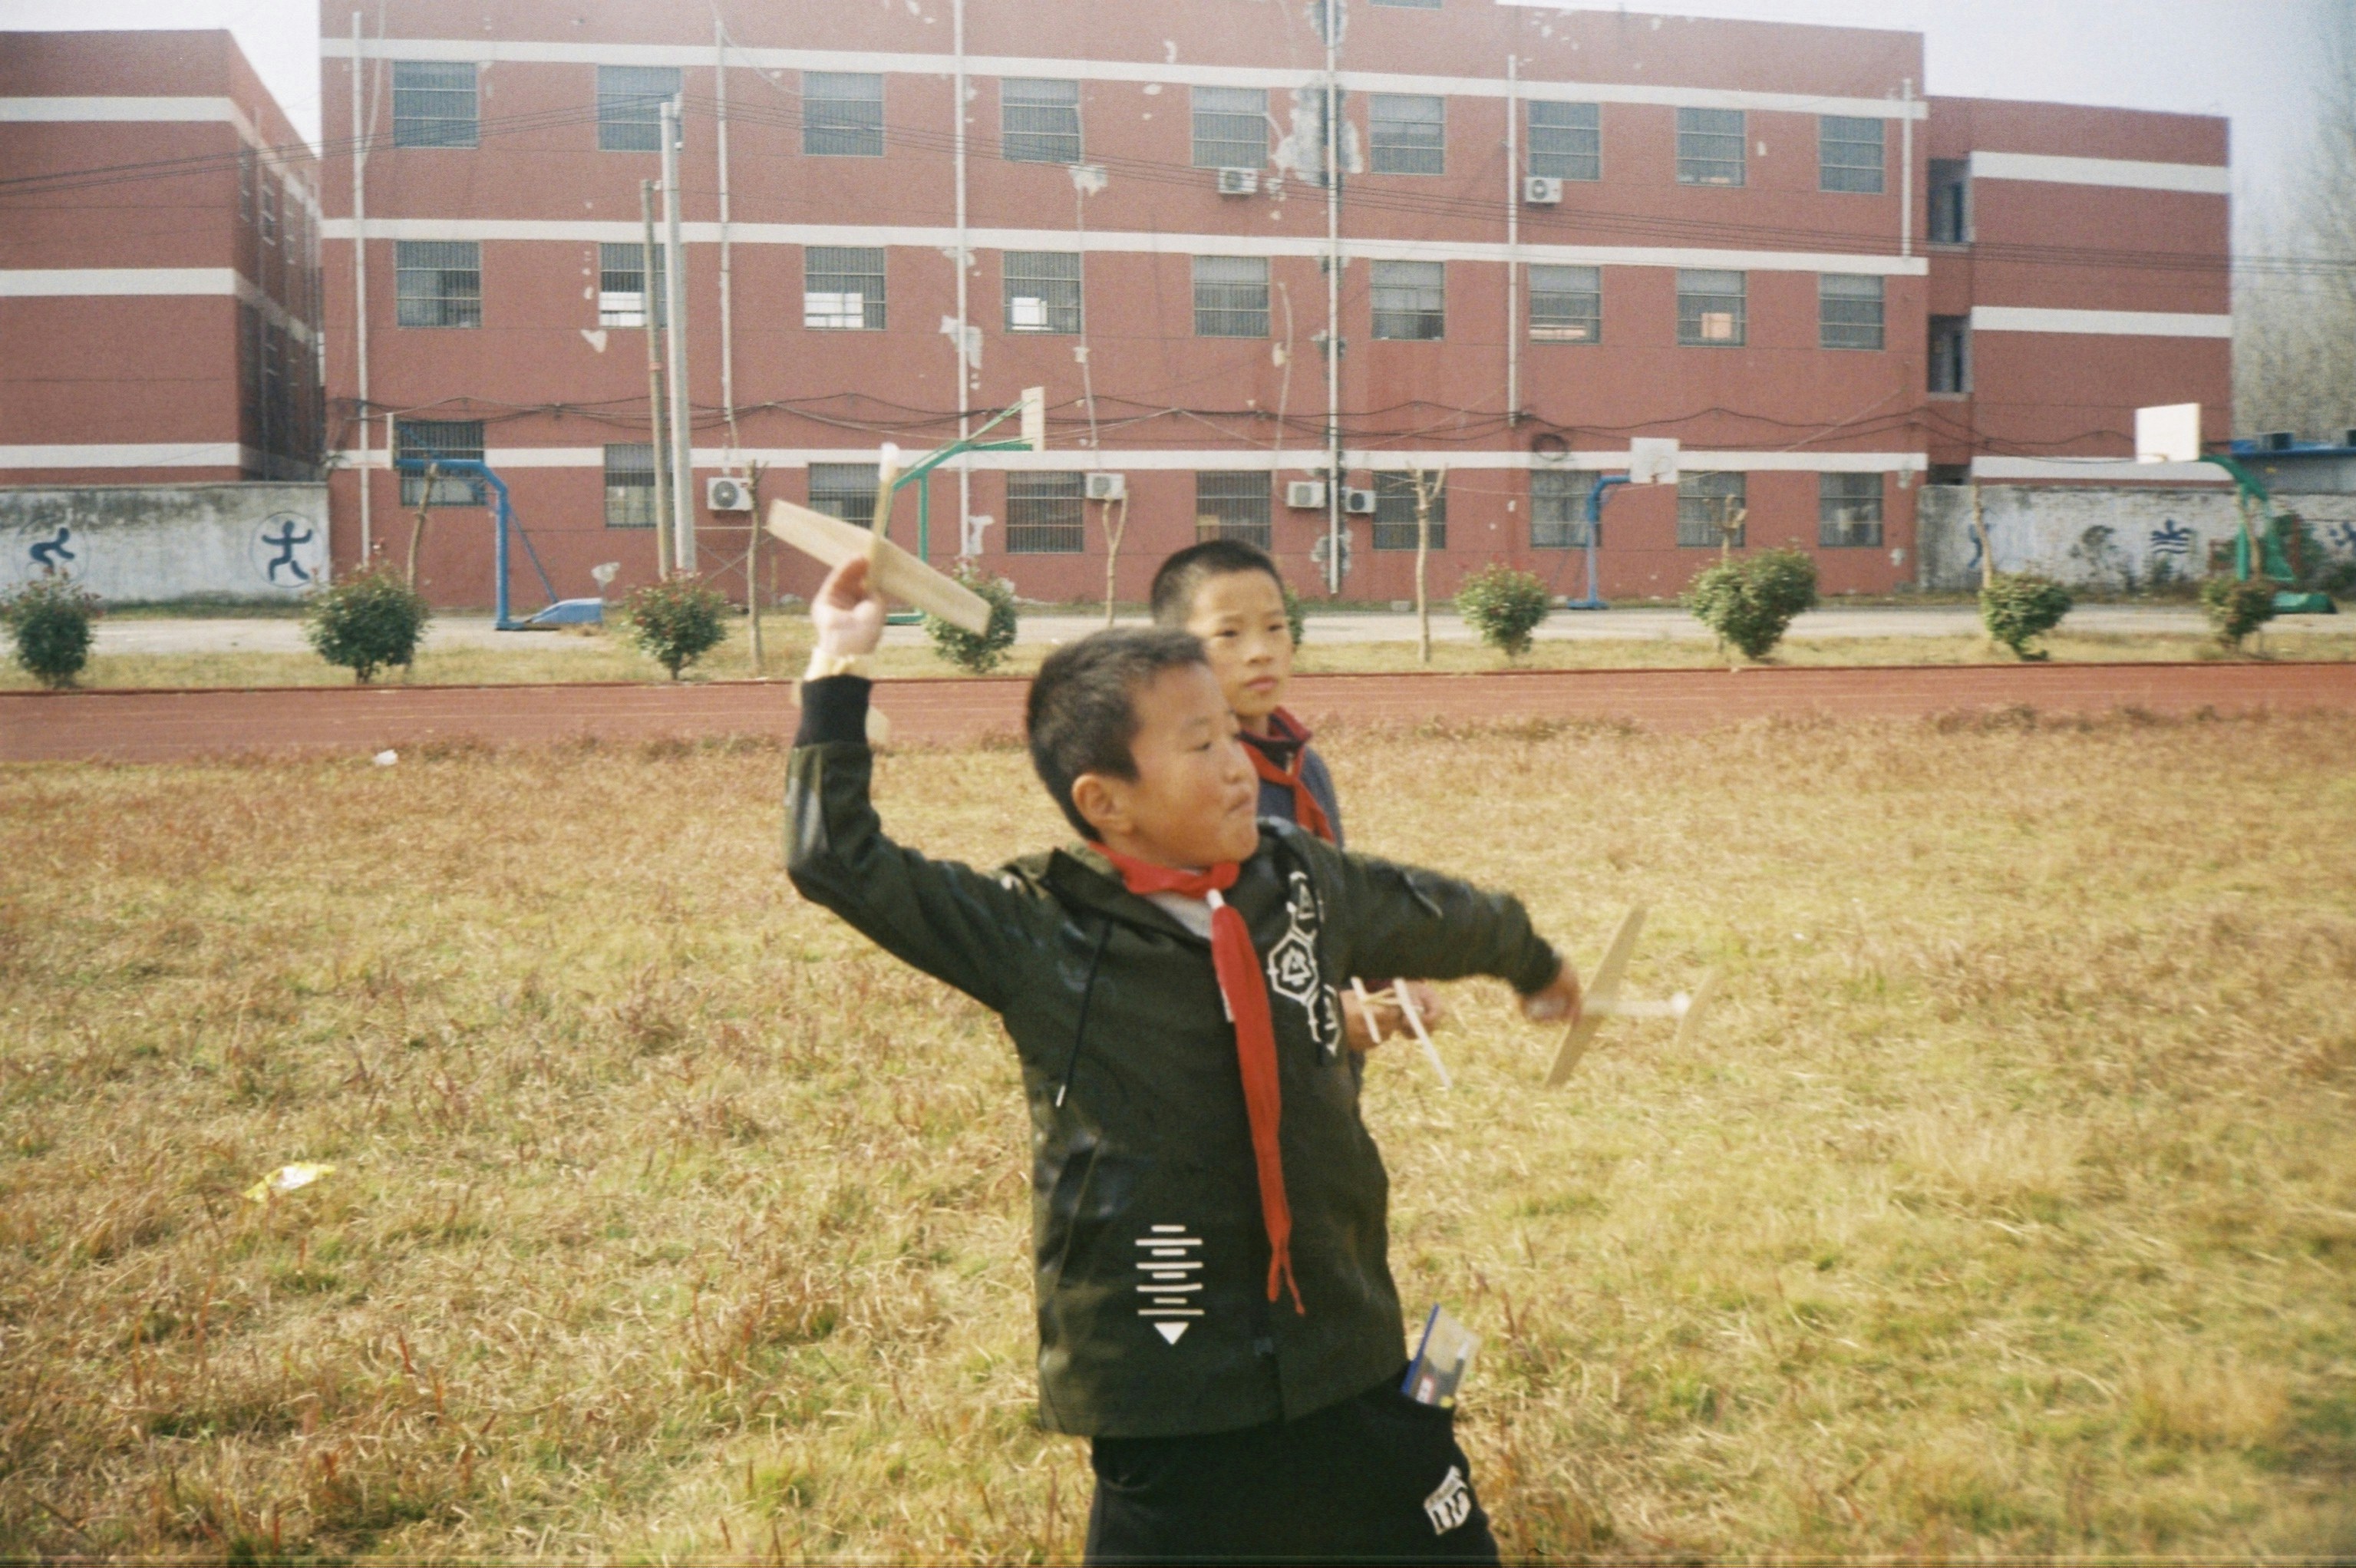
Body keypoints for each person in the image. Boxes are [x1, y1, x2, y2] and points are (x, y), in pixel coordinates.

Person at [787, 555, 1582, 1564]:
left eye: (1232, 736)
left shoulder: (1297, 880)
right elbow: (833, 857)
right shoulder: (1037, 932)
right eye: (1199, 743)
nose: (1238, 764)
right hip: (1164, 1377)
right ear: (1104, 800)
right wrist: (837, 667)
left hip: (1341, 1338)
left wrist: (1535, 963)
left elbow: (1437, 912)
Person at [1150, 537, 1440, 1051]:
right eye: (1229, 634)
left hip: (1318, 1081)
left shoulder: (1306, 769)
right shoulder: (1184, 786)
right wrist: (1313, 1016)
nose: (1260, 651)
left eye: (1275, 627)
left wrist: (1384, 978)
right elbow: (1182, 957)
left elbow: (1332, 900)